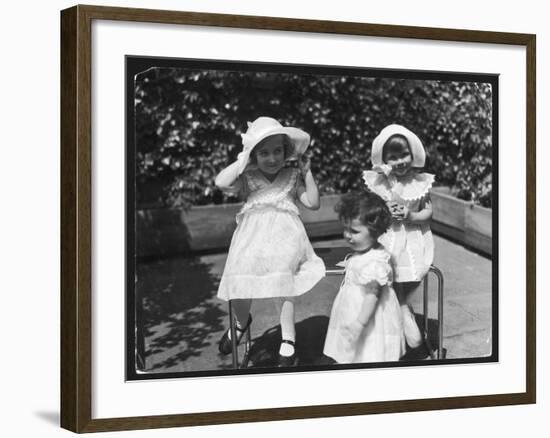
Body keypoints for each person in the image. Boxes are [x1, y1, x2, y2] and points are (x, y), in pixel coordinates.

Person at [215, 116, 325, 367]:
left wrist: (307, 175)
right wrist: (244, 157)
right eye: (264, 153)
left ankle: (288, 339)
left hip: (285, 241)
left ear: (286, 152)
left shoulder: (291, 176)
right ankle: (242, 322)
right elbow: (221, 182)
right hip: (251, 241)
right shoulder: (248, 176)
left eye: (278, 151)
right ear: (254, 155)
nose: (272, 158)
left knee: (283, 283)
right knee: (240, 277)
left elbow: (313, 203)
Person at [362, 124, 435, 349]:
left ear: (412, 155)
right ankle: (399, 313)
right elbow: (368, 212)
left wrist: (411, 214)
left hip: (412, 236)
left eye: (403, 155)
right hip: (387, 236)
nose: (400, 161)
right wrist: (385, 211)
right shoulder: (379, 182)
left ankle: (403, 307)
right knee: (386, 273)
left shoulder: (420, 182)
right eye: (392, 157)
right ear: (384, 160)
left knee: (409, 273)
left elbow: (428, 212)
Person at [323, 191, 405, 364]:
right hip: (354, 307)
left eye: (354, 231)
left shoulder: (374, 263)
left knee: (369, 348)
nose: (347, 235)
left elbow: (372, 296)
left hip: (367, 314)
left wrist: (359, 323)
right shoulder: (366, 253)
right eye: (345, 229)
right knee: (355, 351)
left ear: (375, 232)